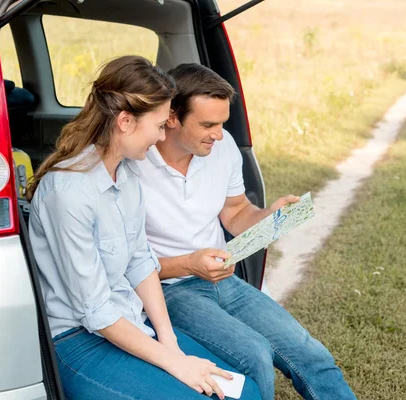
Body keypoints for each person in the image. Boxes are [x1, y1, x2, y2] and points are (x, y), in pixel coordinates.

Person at [26, 56, 261, 400]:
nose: (165, 134)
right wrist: (173, 362)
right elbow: (97, 312)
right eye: (159, 124)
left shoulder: (128, 172)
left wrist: (170, 342)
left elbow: (140, 261)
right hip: (80, 341)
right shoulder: (68, 192)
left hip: (131, 324)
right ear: (125, 121)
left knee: (246, 392)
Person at [137, 63, 357, 400]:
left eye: (223, 123)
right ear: (171, 117)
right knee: (254, 355)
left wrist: (271, 216)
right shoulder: (133, 164)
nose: (219, 134)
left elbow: (236, 212)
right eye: (207, 124)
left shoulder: (221, 148)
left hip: (223, 279)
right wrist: (190, 264)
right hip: (168, 289)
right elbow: (128, 264)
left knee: (312, 355)